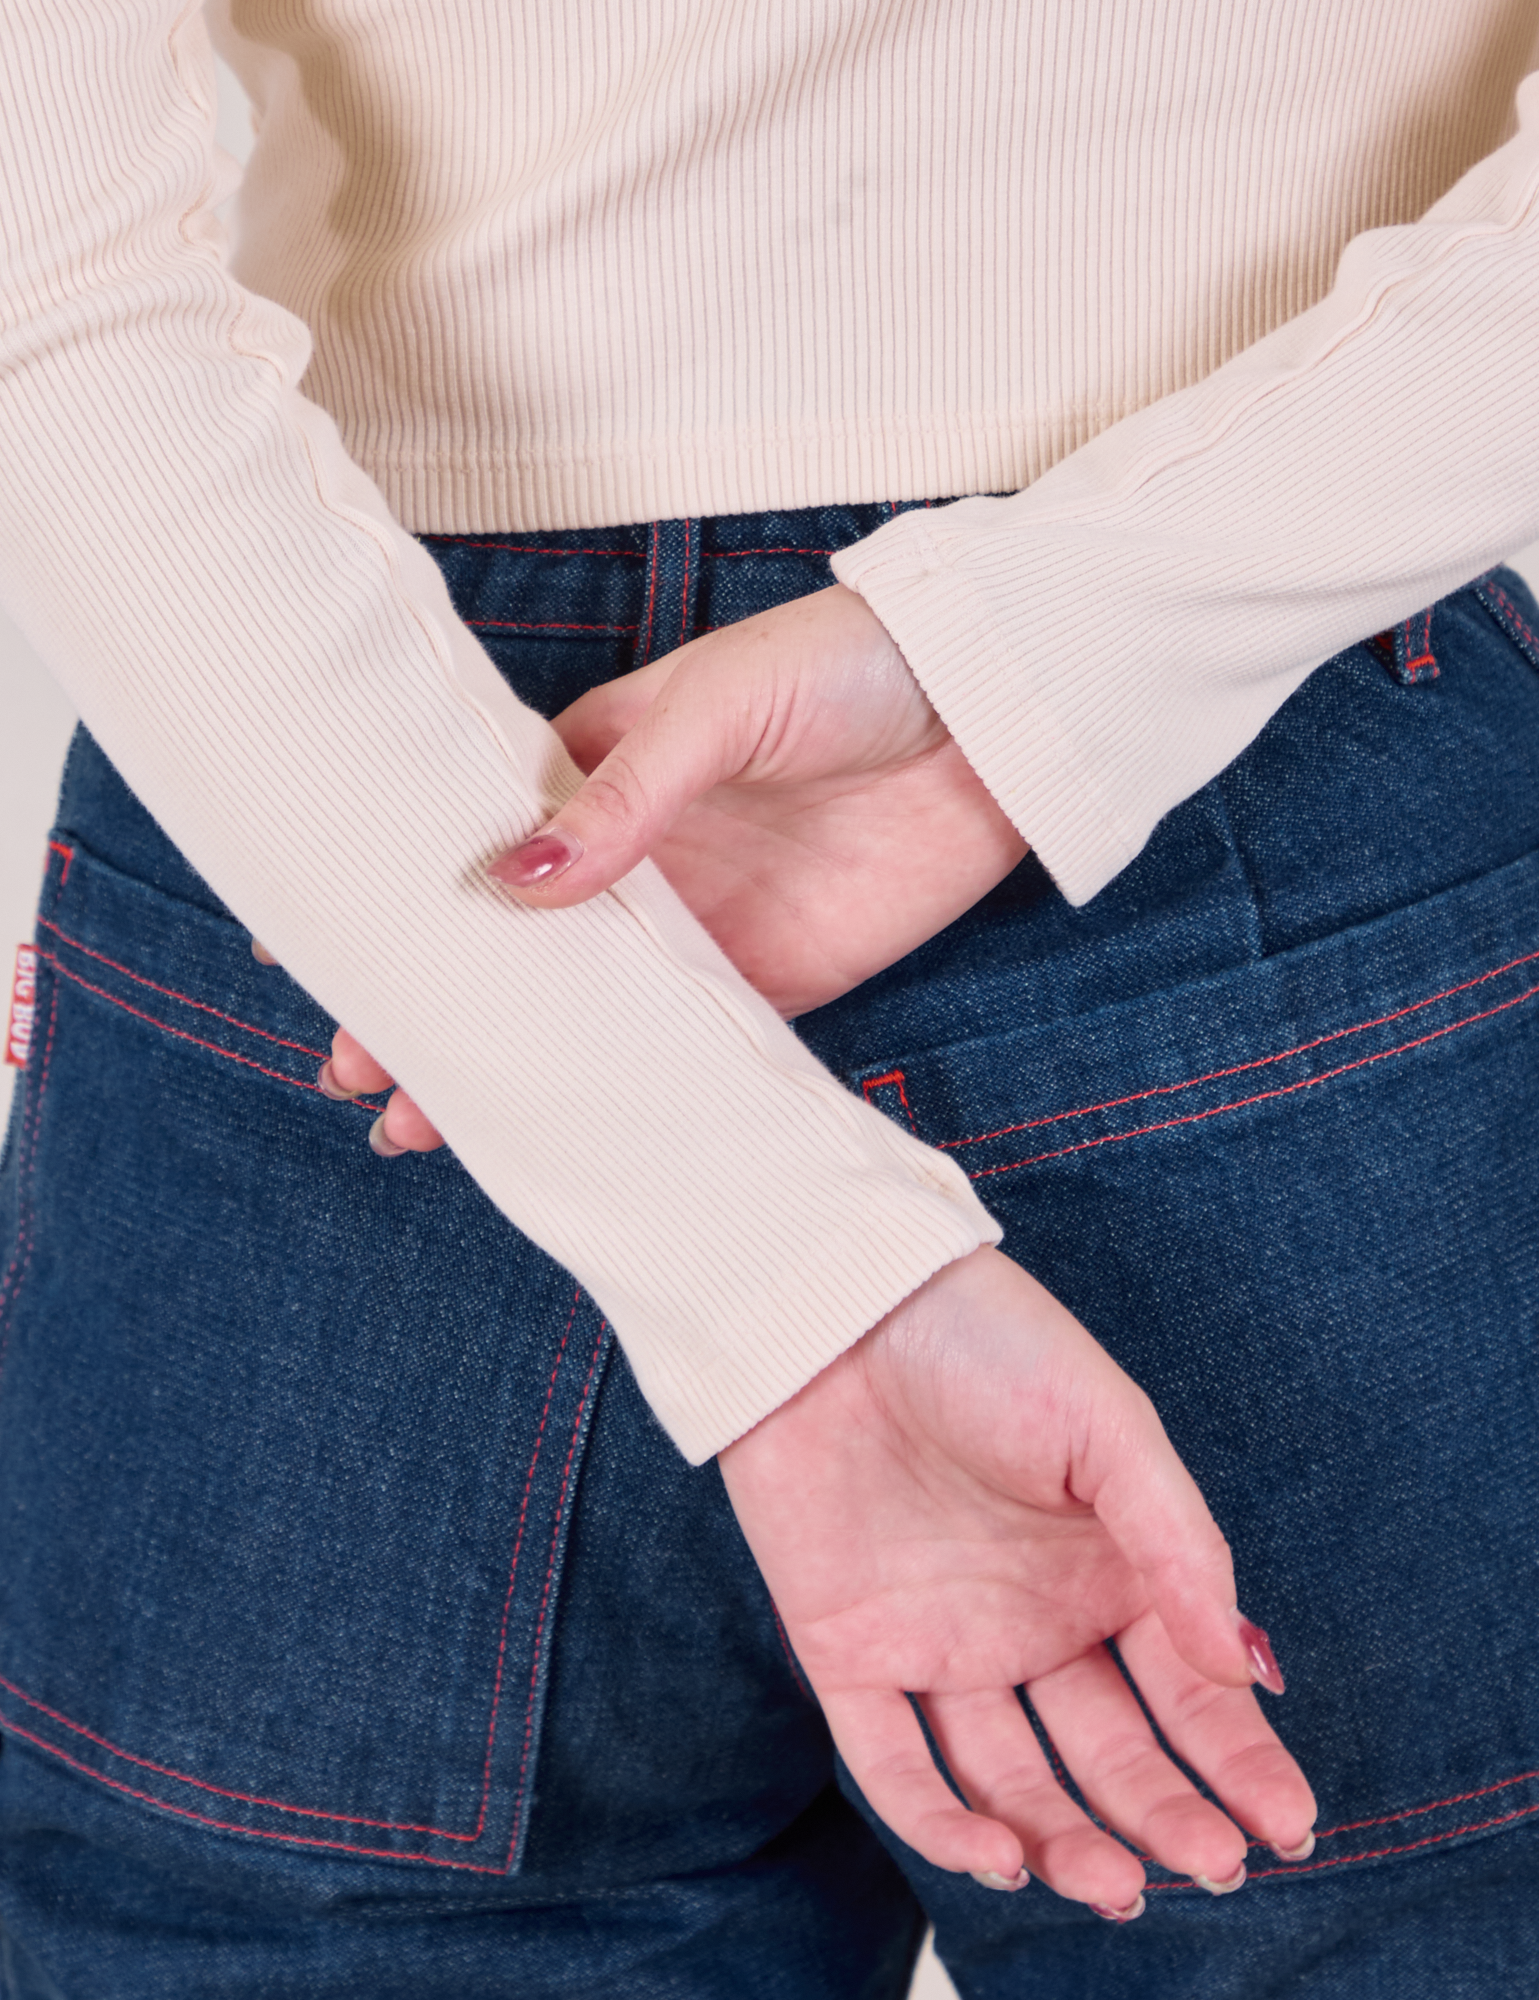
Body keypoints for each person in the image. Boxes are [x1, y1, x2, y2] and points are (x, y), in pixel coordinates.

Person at [0, 1, 1537, 1992]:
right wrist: (1025, 669)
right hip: (1266, 788)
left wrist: (638, 1112)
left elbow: (47, 302)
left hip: (355, 796)